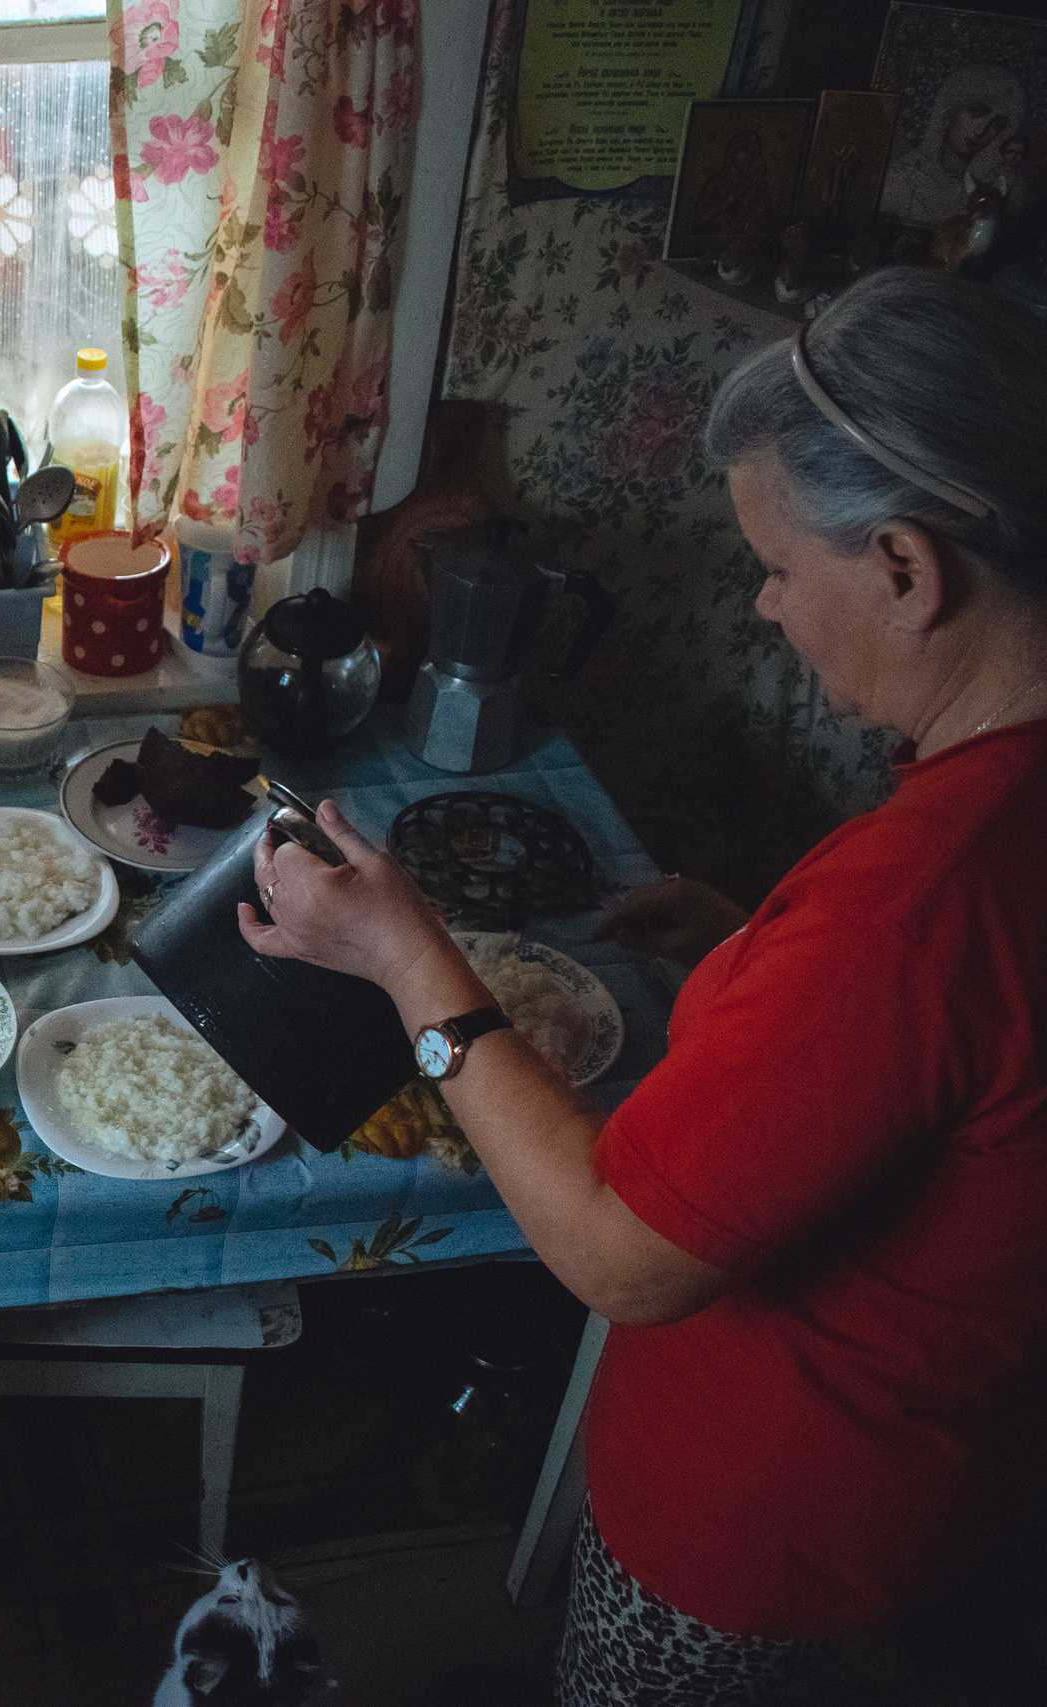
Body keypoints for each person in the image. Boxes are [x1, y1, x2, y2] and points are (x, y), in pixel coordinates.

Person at [239, 266, 1046, 1703]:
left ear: (911, 569)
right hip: (938, 1452)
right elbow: (943, 1059)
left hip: (760, 1514)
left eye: (784, 566)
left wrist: (405, 951)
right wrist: (757, 947)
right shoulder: (981, 818)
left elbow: (620, 1252)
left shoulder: (913, 909)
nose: (767, 603)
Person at [882, 64, 1026, 229]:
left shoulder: (994, 185)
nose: (981, 131)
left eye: (997, 125)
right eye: (976, 112)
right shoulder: (902, 177)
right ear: (949, 110)